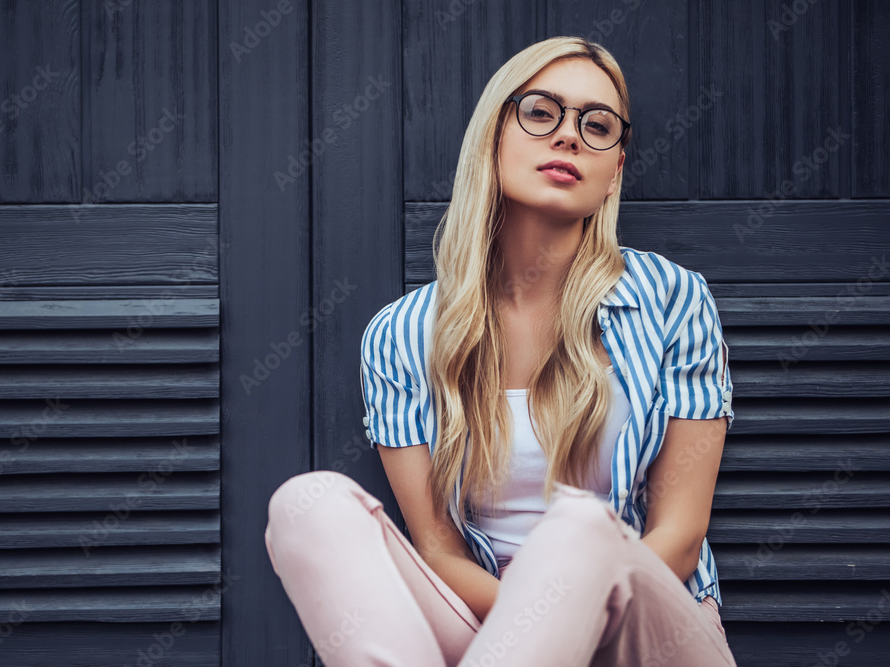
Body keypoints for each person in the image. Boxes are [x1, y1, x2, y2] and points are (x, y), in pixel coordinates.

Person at [264, 35, 739, 666]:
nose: (569, 136)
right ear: (494, 135)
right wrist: (529, 619)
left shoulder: (672, 299)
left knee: (575, 531)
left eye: (597, 126)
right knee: (308, 505)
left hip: (643, 628)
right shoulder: (402, 334)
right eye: (542, 113)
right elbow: (438, 551)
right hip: (486, 619)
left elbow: (680, 537)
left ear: (614, 171)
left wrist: (560, 598)